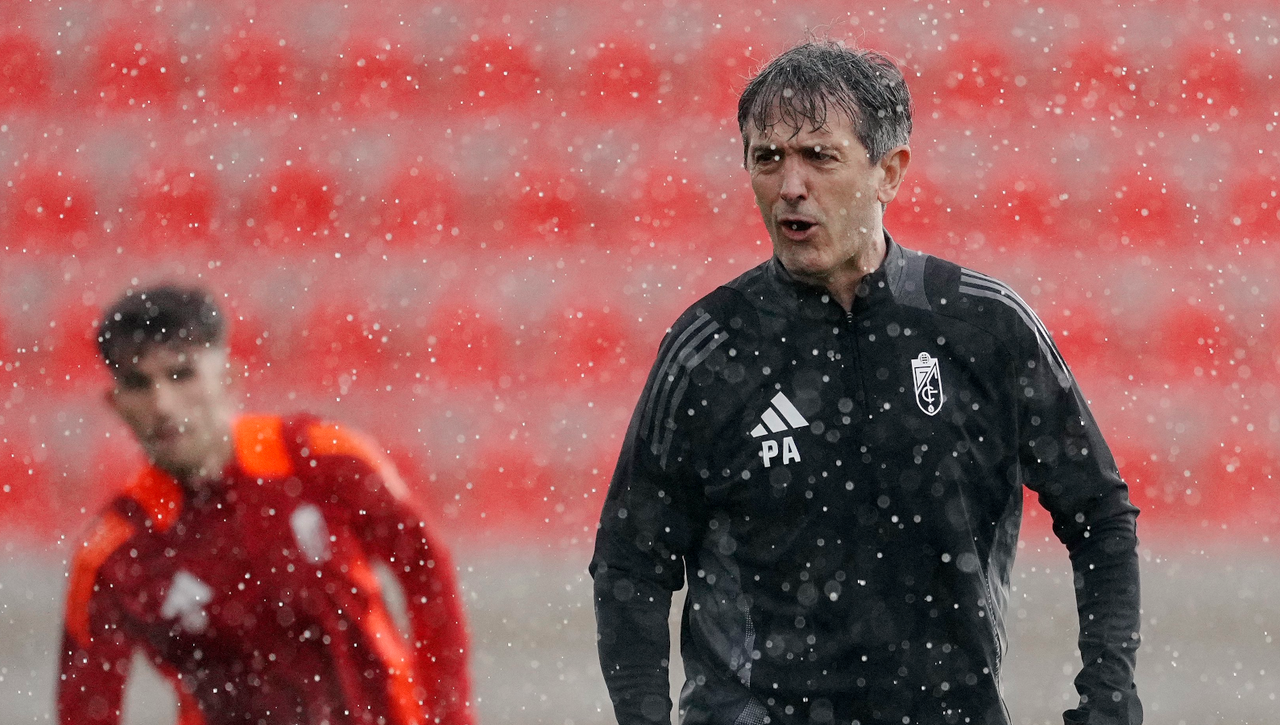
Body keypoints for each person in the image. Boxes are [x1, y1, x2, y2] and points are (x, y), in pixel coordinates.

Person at [590, 40, 1142, 725]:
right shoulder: (708, 349)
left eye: (819, 156)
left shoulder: (984, 327)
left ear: (890, 172)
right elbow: (629, 564)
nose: (791, 184)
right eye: (768, 158)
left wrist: (1110, 700)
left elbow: (1100, 516)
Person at [58, 285, 472, 725]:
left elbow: (426, 572)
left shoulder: (321, 460)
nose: (162, 404)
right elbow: (85, 708)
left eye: (182, 375)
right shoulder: (116, 554)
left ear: (229, 378)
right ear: (116, 404)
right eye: (139, 384)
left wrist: (450, 716)